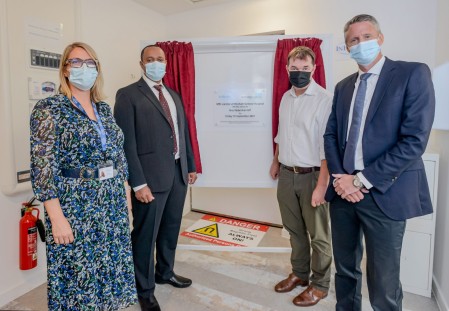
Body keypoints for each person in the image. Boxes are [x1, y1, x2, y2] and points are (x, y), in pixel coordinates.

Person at [324, 14, 435, 311]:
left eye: (367, 37)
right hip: (343, 192)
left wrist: (359, 181)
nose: (361, 44)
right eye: (353, 40)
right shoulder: (343, 86)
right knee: (345, 270)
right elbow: (331, 135)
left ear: (380, 38)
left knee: (384, 280)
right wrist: (341, 179)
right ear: (347, 48)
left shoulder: (412, 74)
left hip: (385, 192)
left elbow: (414, 140)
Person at [30, 42, 137, 310]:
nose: (84, 68)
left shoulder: (103, 109)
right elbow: (43, 167)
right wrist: (56, 217)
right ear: (65, 69)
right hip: (75, 205)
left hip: (111, 202)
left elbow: (118, 159)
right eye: (76, 62)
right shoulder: (49, 108)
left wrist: (127, 205)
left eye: (90, 63)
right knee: (79, 277)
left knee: (110, 271)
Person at [114, 45, 197, 311]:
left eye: (160, 60)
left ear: (166, 63)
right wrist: (137, 182)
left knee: (171, 227)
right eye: (150, 60)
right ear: (141, 64)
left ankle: (165, 272)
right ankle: (144, 289)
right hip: (149, 179)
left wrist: (191, 165)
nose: (155, 63)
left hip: (177, 172)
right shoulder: (128, 95)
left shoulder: (173, 95)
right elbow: (125, 143)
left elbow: (183, 133)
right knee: (145, 234)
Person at [269, 46, 333, 307]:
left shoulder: (324, 99)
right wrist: (275, 161)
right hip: (286, 173)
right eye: (294, 69)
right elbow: (282, 133)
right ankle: (299, 274)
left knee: (318, 236)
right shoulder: (286, 98)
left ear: (314, 69)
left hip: (312, 176)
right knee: (294, 230)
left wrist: (321, 185)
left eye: (305, 69)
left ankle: (320, 285)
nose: (299, 73)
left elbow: (326, 146)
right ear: (287, 69)